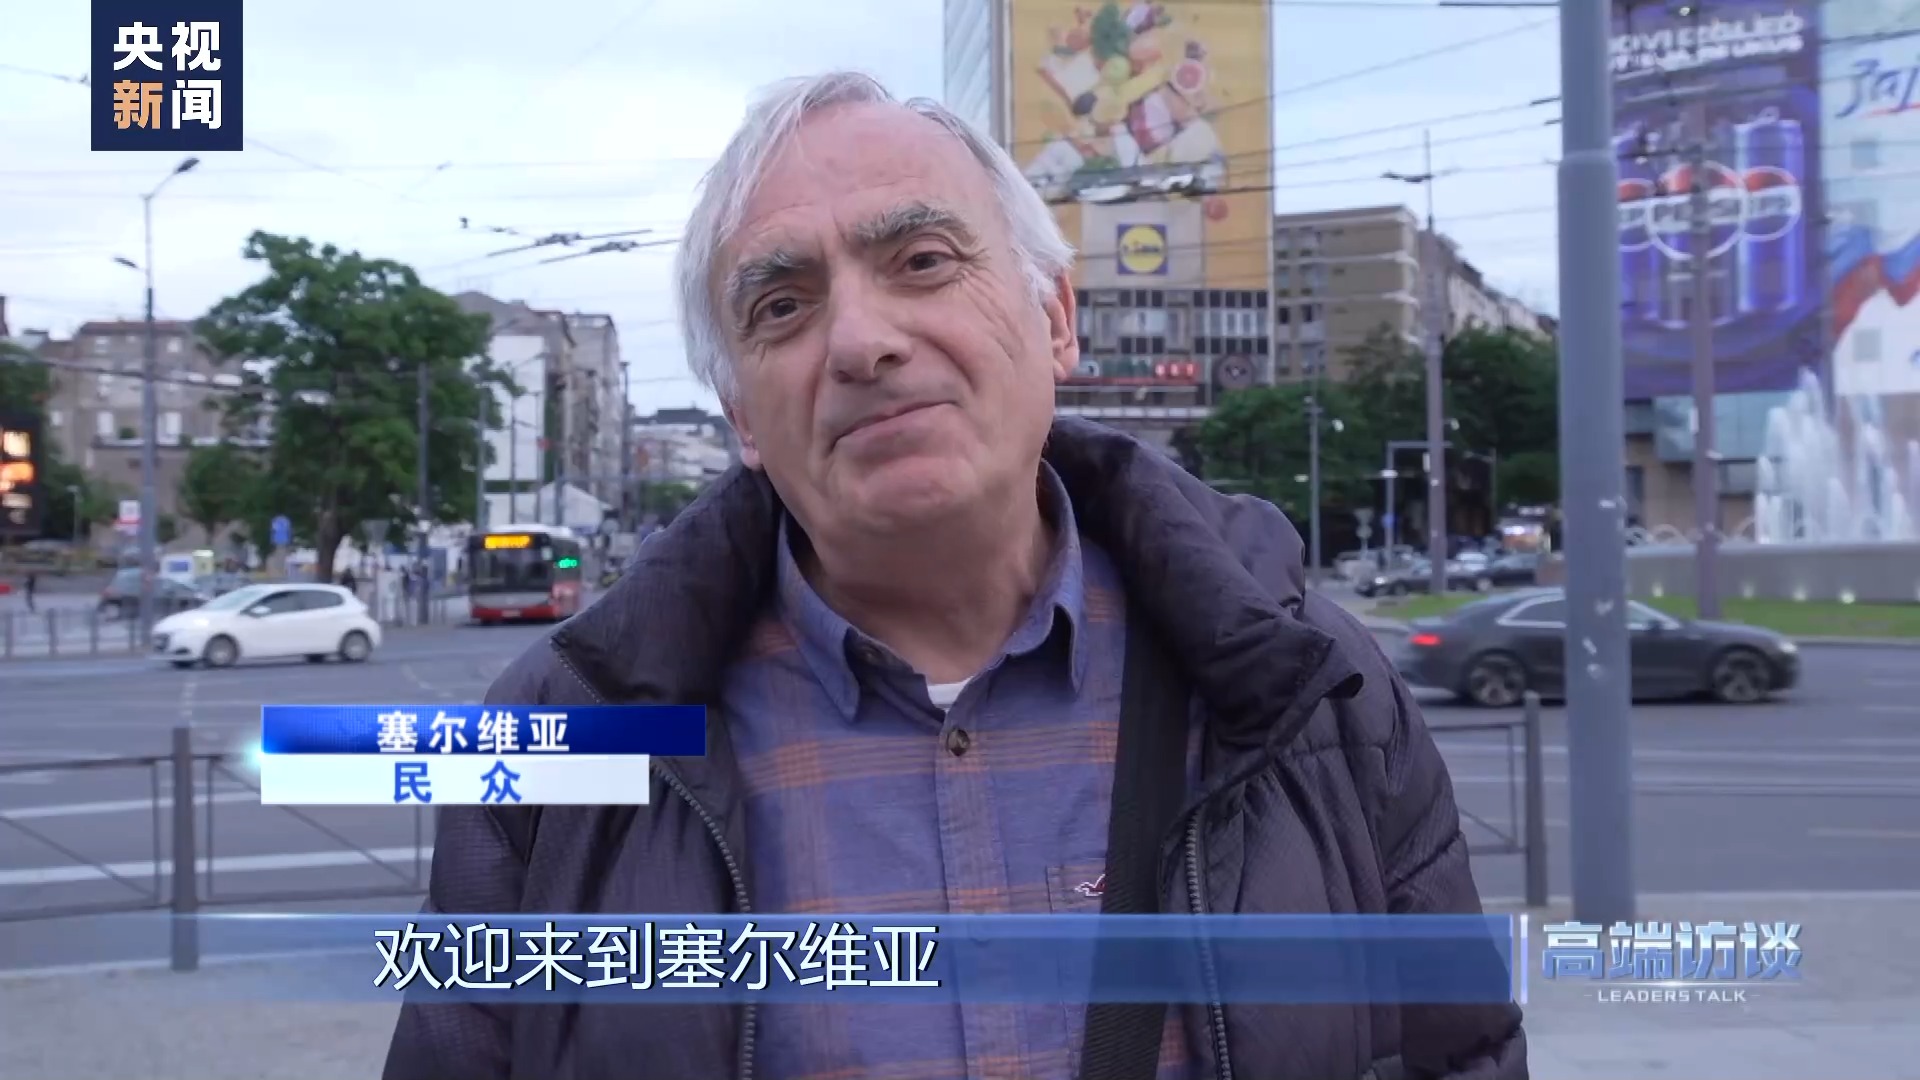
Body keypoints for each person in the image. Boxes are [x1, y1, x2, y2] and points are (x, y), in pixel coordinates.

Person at [384, 72, 1525, 1080]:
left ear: (1057, 318)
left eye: (923, 262)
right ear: (741, 417)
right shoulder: (562, 736)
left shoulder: (1315, 688)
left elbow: (1457, 1053)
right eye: (782, 306)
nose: (860, 342)